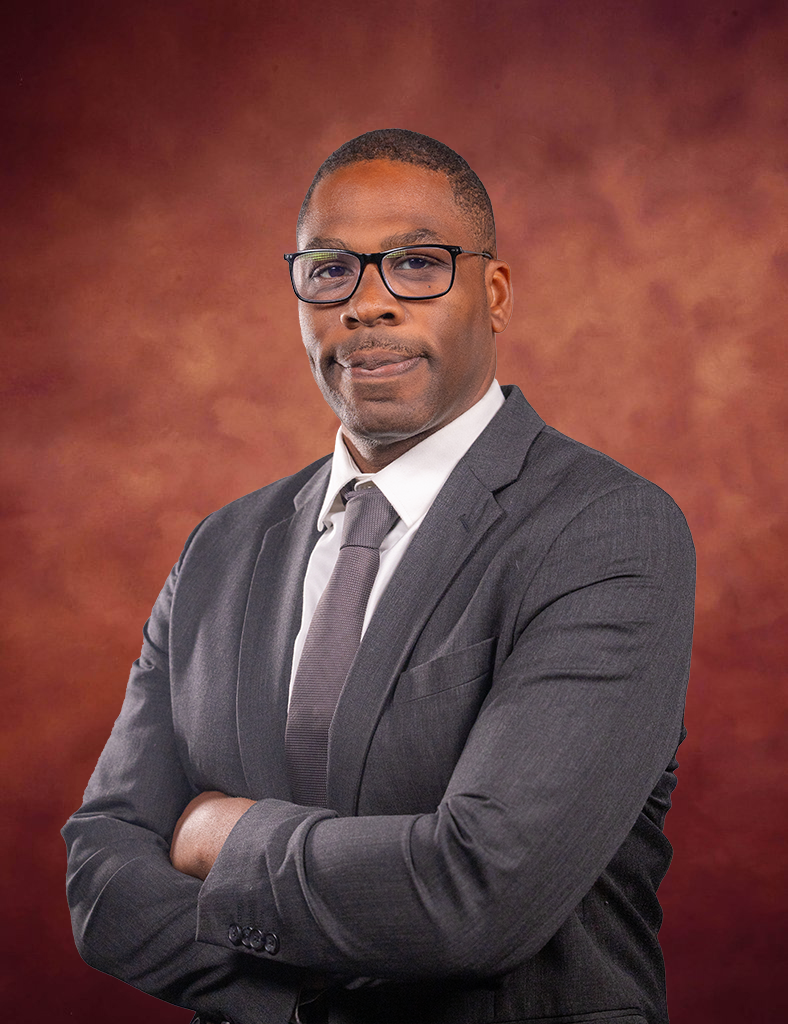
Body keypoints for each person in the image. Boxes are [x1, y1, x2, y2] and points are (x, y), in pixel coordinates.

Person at [63, 129, 695, 1024]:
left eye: (417, 265)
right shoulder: (220, 549)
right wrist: (303, 994)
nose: (367, 305)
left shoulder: (605, 531)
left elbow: (477, 896)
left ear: (495, 294)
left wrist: (220, 835)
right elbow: (102, 872)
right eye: (330, 271)